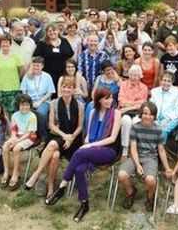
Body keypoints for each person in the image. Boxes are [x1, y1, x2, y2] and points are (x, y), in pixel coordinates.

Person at [45, 88, 121, 223]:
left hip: (108, 151)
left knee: (80, 152)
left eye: (110, 98)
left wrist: (90, 146)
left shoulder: (116, 113)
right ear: (99, 100)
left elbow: (113, 139)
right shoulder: (93, 112)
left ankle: (62, 186)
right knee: (79, 170)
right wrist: (88, 144)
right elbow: (86, 137)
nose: (110, 101)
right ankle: (84, 204)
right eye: (106, 98)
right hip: (91, 150)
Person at [24, 77, 83, 199]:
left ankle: (37, 174)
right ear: (60, 88)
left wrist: (70, 137)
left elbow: (80, 126)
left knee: (52, 146)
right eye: (64, 86)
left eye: (69, 87)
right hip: (58, 135)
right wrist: (64, 136)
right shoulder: (54, 103)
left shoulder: (80, 105)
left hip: (73, 139)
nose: (66, 89)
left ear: (73, 90)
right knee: (55, 155)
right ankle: (50, 187)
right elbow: (51, 125)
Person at [118, 101, 172, 211]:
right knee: (122, 175)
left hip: (151, 158)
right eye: (145, 113)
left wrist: (167, 168)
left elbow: (161, 150)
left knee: (150, 180)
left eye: (151, 114)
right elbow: (133, 148)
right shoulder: (135, 127)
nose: (148, 116)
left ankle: (150, 197)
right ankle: (131, 192)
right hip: (135, 156)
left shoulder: (159, 130)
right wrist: (137, 165)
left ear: (154, 116)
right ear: (141, 114)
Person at [1, 94, 38, 190]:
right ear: (18, 105)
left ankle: (15, 174)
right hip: (17, 136)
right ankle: (6, 171)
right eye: (22, 105)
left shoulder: (32, 116)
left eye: (27, 105)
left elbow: (29, 133)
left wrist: (17, 141)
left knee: (16, 148)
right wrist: (13, 138)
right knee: (5, 146)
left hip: (29, 137)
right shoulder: (15, 115)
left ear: (30, 105)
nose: (25, 107)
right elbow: (13, 129)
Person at [20, 57, 56, 142]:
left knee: (41, 113)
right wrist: (29, 102)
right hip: (29, 101)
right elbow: (23, 91)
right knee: (26, 112)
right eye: (34, 65)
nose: (36, 67)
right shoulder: (27, 76)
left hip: (43, 101)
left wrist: (40, 102)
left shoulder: (47, 76)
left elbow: (50, 92)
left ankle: (43, 135)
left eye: (38, 65)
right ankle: (29, 135)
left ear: (42, 66)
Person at [34, 23, 74, 94]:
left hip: (63, 74)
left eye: (54, 30)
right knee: (50, 93)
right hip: (48, 74)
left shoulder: (64, 41)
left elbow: (70, 55)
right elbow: (36, 58)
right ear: (46, 33)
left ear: (58, 31)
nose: (52, 32)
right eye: (49, 31)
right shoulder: (42, 43)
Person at [119, 65, 148, 157]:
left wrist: (128, 106)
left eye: (136, 75)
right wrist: (134, 104)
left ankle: (134, 149)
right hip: (125, 113)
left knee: (136, 122)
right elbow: (121, 101)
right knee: (126, 121)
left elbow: (142, 104)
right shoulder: (123, 85)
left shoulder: (144, 87)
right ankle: (125, 148)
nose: (133, 78)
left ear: (140, 76)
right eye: (131, 75)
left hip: (137, 113)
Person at [0, 35, 24, 116]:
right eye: (3, 43)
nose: (5, 45)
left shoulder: (16, 56)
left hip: (13, 87)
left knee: (13, 110)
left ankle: (12, 128)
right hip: (0, 88)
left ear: (10, 44)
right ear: (0, 44)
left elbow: (21, 70)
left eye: (7, 43)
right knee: (2, 111)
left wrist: (16, 78)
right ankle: (4, 127)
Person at [150, 71, 178, 143]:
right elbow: (151, 107)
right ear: (160, 80)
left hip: (171, 119)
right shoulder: (154, 91)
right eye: (164, 80)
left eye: (169, 81)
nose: (166, 83)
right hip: (156, 118)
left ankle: (161, 150)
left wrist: (167, 119)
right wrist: (155, 119)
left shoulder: (177, 93)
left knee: (163, 131)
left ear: (172, 82)